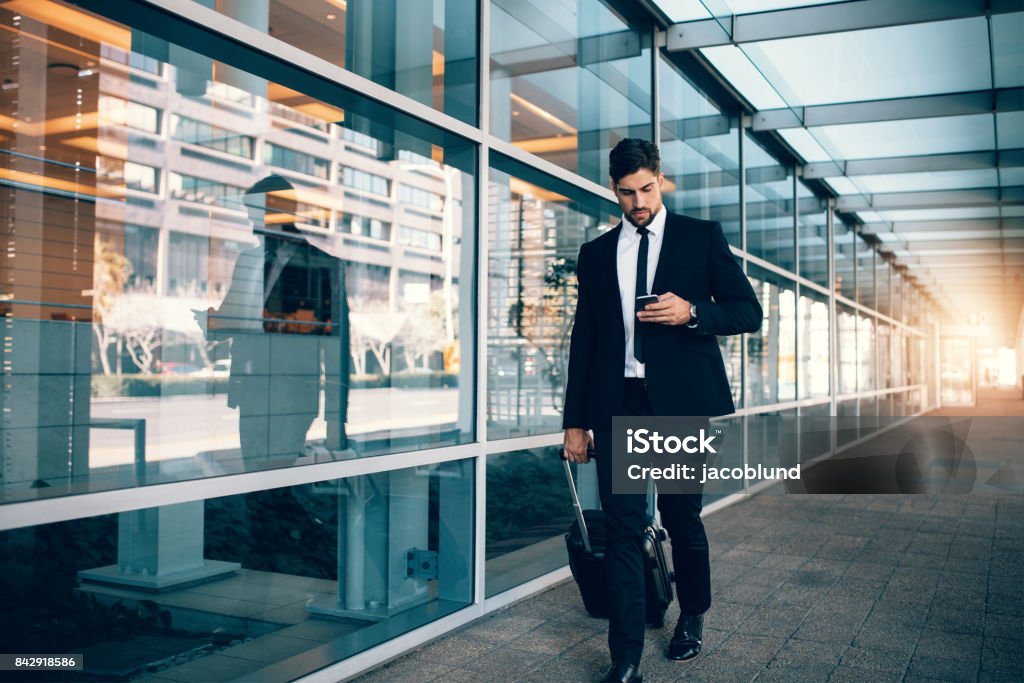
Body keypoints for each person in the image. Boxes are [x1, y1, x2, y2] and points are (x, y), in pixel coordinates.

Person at [562, 139, 762, 682]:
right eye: (626, 193)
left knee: (679, 518)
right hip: (619, 401)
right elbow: (586, 340)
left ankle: (692, 614)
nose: (637, 202)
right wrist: (574, 421)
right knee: (624, 530)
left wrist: (693, 312)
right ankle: (624, 657)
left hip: (676, 404)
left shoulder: (700, 238)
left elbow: (749, 311)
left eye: (646, 189)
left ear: (661, 179)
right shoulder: (598, 254)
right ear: (614, 190)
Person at [203, 174, 350, 472]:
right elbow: (235, 320)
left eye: (255, 215)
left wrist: (336, 418)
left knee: (275, 484)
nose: (252, 225)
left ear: (279, 213)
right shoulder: (247, 261)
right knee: (254, 481)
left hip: (292, 397)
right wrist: (213, 322)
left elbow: (337, 347)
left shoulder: (322, 266)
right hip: (250, 392)